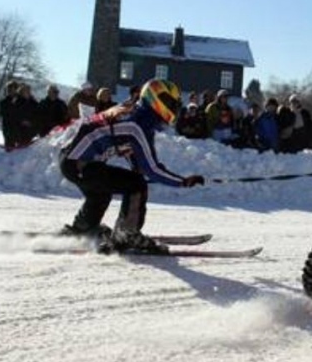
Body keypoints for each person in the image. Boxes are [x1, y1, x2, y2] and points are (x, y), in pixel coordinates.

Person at [59, 79, 205, 254]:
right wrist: (182, 182)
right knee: (135, 184)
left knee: (101, 193)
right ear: (155, 99)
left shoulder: (137, 116)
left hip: (73, 160)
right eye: (170, 103)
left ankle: (82, 229)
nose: (173, 108)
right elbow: (152, 168)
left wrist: (141, 171)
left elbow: (134, 154)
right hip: (80, 162)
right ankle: (127, 233)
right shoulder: (138, 125)